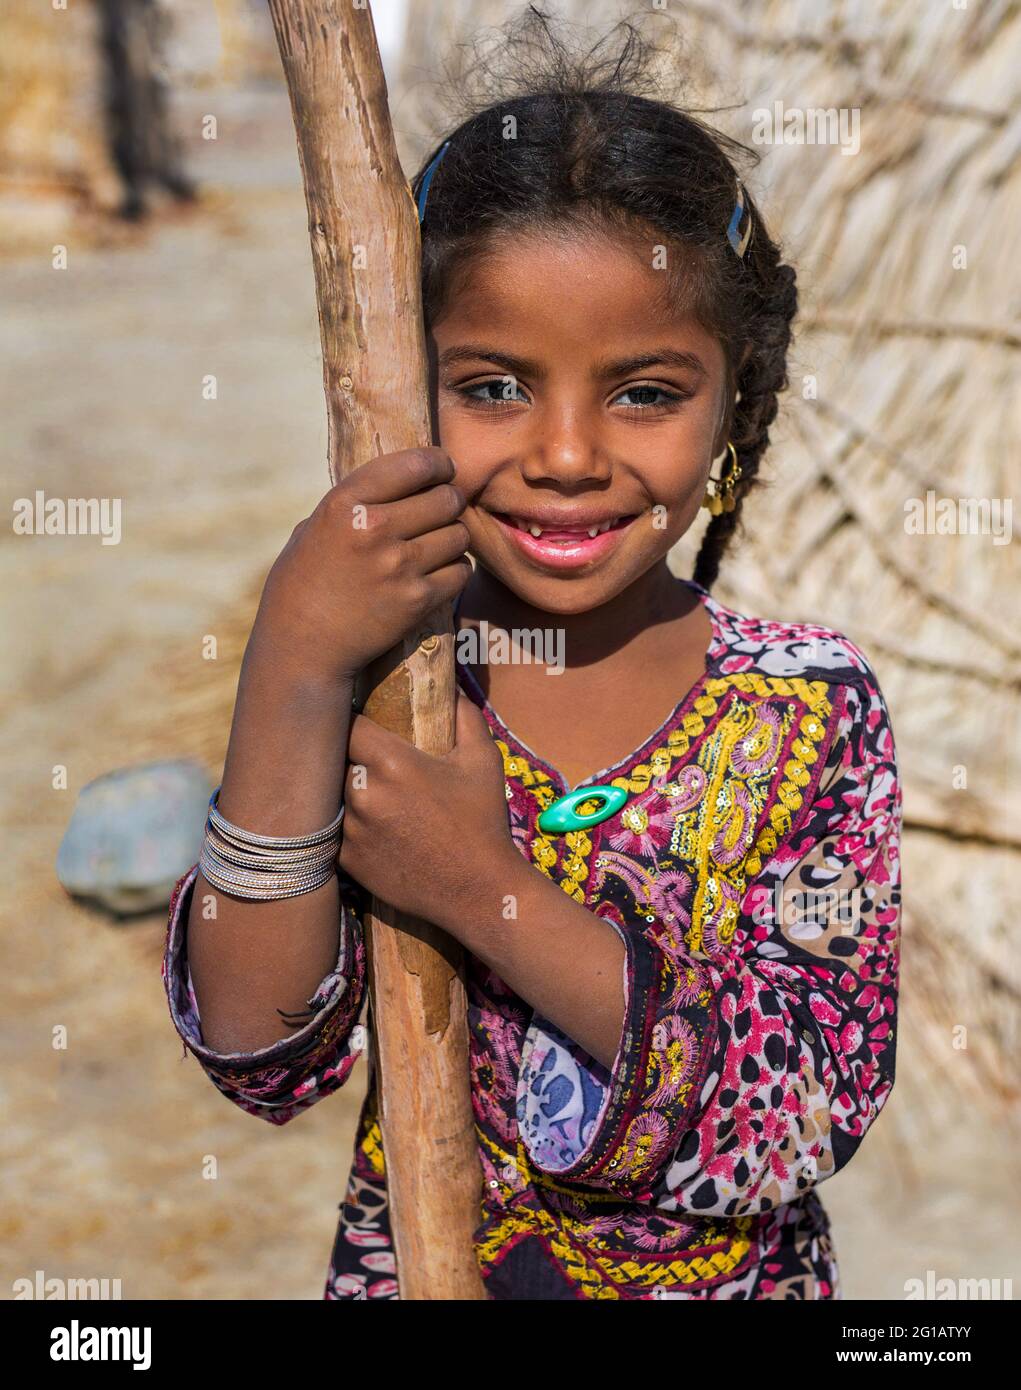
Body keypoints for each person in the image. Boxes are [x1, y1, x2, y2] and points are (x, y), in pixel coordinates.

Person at [161, 16, 902, 1301]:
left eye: (645, 392)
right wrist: (288, 665)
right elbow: (256, 1054)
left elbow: (801, 1114)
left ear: (735, 402)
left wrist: (480, 890)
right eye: (494, 385)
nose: (565, 454)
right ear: (399, 384)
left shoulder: (805, 712)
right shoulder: (390, 692)